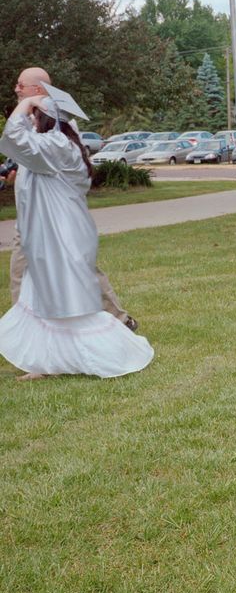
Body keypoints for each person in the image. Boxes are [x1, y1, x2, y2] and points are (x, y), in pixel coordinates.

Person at [0, 86, 154, 379]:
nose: (30, 121)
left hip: (59, 236)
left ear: (44, 120)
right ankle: (44, 364)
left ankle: (109, 353)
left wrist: (29, 103)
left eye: (34, 117)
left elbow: (15, 137)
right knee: (40, 300)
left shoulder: (56, 146)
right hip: (50, 234)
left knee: (68, 306)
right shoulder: (60, 144)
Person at [9, 67, 138, 331]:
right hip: (31, 215)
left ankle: (115, 320)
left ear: (37, 90)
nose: (16, 89)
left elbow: (34, 152)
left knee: (75, 270)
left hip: (49, 217)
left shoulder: (57, 127)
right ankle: (28, 332)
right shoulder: (38, 123)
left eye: (21, 85)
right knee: (27, 274)